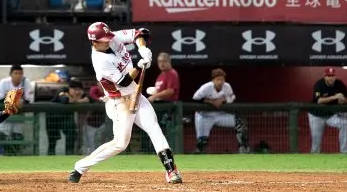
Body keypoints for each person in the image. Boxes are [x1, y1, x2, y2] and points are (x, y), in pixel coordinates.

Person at [68, 23, 182, 184]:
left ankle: (171, 170)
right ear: (94, 42)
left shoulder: (111, 38)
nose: (108, 41)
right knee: (120, 144)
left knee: (154, 128)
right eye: (104, 40)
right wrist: (139, 66)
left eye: (108, 37)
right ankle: (81, 167)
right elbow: (123, 81)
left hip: (135, 94)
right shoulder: (100, 61)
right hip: (119, 102)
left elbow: (138, 33)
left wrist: (142, 48)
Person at [191, 68, 249, 154]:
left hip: (220, 115)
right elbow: (195, 99)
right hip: (204, 116)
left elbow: (232, 97)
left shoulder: (227, 86)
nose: (220, 82)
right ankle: (199, 155)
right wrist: (210, 101)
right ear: (213, 80)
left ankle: (243, 149)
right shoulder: (206, 87)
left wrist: (223, 100)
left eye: (222, 80)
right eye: (218, 79)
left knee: (240, 121)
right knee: (202, 143)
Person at [308, 67, 347, 154]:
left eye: (332, 76)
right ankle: (314, 158)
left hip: (330, 115)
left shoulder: (339, 84)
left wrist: (343, 100)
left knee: (344, 123)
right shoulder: (319, 84)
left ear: (335, 76)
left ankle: (344, 151)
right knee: (316, 143)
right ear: (325, 77)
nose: (331, 78)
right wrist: (334, 97)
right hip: (316, 115)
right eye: (328, 76)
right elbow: (319, 101)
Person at [0, 64, 34, 155]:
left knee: (17, 135)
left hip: (18, 114)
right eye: (15, 73)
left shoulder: (26, 82)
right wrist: (15, 101)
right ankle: (0, 155)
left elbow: (29, 99)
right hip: (5, 114)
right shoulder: (4, 82)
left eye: (20, 74)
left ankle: (15, 155)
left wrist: (20, 101)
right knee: (2, 135)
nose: (18, 76)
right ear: (11, 74)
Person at [46, 79, 89, 155]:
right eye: (75, 90)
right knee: (52, 141)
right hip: (53, 117)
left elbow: (89, 99)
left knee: (71, 134)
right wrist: (78, 99)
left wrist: (74, 100)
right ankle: (50, 156)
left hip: (67, 116)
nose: (77, 92)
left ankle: (69, 154)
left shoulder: (80, 94)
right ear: (70, 89)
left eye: (79, 90)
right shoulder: (62, 90)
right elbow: (64, 100)